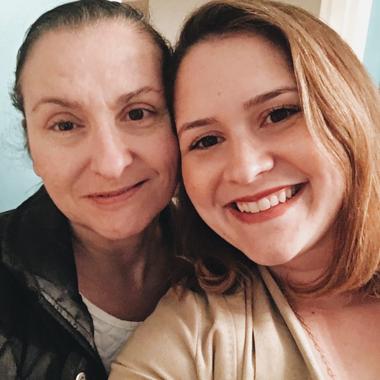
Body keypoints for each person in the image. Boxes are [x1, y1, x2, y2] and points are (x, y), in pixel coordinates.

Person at [110, 0, 380, 379]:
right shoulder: (193, 339)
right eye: (206, 140)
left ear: (346, 111)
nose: (246, 169)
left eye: (279, 114)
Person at [0, 0, 178, 378]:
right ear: (32, 147)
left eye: (137, 113)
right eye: (65, 125)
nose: (110, 164)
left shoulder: (235, 255)